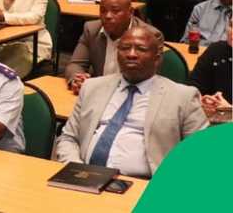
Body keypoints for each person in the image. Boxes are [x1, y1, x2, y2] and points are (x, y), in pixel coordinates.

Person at [55, 26, 208, 178]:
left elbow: (200, 155)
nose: (131, 54)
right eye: (125, 48)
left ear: (157, 58)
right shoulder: (92, 87)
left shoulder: (183, 97)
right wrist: (76, 168)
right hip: (85, 177)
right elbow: (69, 138)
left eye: (141, 49)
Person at [65, 0, 159, 92]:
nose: (108, 16)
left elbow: (148, 78)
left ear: (130, 12)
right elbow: (75, 64)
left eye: (115, 11)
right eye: (103, 10)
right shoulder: (91, 30)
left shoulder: (150, 36)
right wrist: (77, 79)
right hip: (99, 94)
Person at [191, 19, 232, 122]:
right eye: (231, 25)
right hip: (211, 121)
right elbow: (192, 87)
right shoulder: (216, 50)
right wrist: (203, 101)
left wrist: (229, 111)